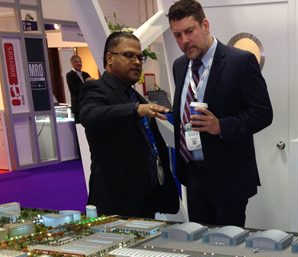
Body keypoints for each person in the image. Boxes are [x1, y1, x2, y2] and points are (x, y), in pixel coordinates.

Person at [167, 0, 273, 227]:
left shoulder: (240, 61)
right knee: (198, 242)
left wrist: (221, 126)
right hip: (192, 176)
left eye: (189, 31)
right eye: (177, 35)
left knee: (229, 244)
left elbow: (263, 113)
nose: (184, 41)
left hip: (229, 177)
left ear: (205, 25)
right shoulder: (179, 65)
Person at [79, 32, 179, 218]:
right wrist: (135, 110)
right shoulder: (97, 88)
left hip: (144, 196)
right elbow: (89, 115)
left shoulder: (135, 96)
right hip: (115, 199)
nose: (137, 62)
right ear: (109, 58)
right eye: (129, 55)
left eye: (140, 57)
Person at [65, 55, 92, 124]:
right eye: (76, 62)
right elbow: (75, 88)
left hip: (87, 104)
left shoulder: (86, 74)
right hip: (78, 105)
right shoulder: (70, 75)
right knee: (79, 124)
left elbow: (92, 86)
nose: (79, 63)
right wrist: (86, 85)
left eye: (80, 62)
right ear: (72, 64)